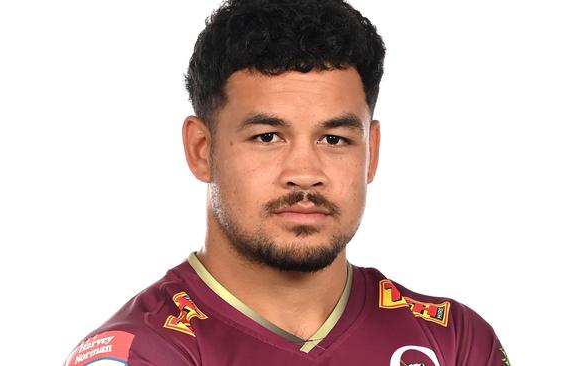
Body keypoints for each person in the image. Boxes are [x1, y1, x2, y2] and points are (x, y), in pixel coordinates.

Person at [64, 0, 510, 365]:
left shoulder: (454, 341)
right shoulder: (144, 352)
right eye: (268, 137)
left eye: (334, 138)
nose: (304, 171)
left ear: (371, 151)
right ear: (202, 149)